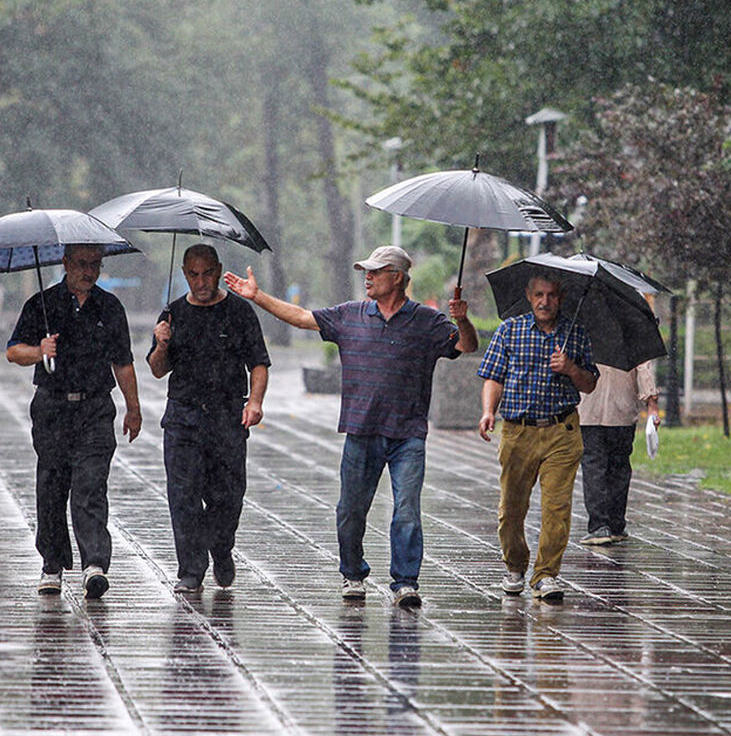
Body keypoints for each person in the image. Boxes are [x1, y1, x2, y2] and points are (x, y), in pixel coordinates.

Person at [223, 245, 477, 608]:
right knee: (350, 510)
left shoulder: (427, 321)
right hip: (361, 431)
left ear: (398, 278)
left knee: (407, 509)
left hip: (407, 435)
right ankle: (353, 573)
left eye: (375, 271)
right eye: (365, 271)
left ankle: (405, 582)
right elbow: (300, 317)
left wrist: (462, 319)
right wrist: (257, 296)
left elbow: (465, 345)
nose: (367, 277)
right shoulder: (350, 315)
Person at [6, 243, 142, 599]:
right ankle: (52, 564)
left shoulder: (109, 307)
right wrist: (39, 351)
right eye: (82, 264)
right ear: (65, 264)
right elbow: (13, 351)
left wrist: (133, 407)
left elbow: (123, 362)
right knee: (51, 487)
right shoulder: (41, 304)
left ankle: (94, 563)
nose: (89, 271)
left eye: (95, 264)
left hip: (95, 409)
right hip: (52, 409)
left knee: (90, 485)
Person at [147, 244, 271, 594]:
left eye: (208, 273)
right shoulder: (171, 314)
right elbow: (157, 370)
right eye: (194, 274)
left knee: (227, 496)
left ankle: (221, 547)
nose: (201, 281)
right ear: (185, 274)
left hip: (227, 418)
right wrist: (161, 345)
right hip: (183, 418)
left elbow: (258, 363)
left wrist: (256, 402)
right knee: (183, 496)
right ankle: (190, 569)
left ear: (218, 270)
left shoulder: (239, 312)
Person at [477, 274, 598, 601]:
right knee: (511, 508)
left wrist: (571, 368)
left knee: (557, 508)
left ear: (561, 298)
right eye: (539, 295)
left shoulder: (575, 334)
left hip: (562, 431)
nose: (545, 302)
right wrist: (489, 411)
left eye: (552, 295)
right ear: (529, 297)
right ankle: (515, 566)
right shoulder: (510, 331)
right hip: (518, 431)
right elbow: (493, 376)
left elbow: (589, 384)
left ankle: (546, 574)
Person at [577, 362, 660, 545]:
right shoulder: (631, 335)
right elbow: (643, 367)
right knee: (619, 466)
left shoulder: (585, 335)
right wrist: (652, 404)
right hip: (622, 410)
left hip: (589, 410)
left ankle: (599, 526)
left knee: (594, 467)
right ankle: (616, 524)